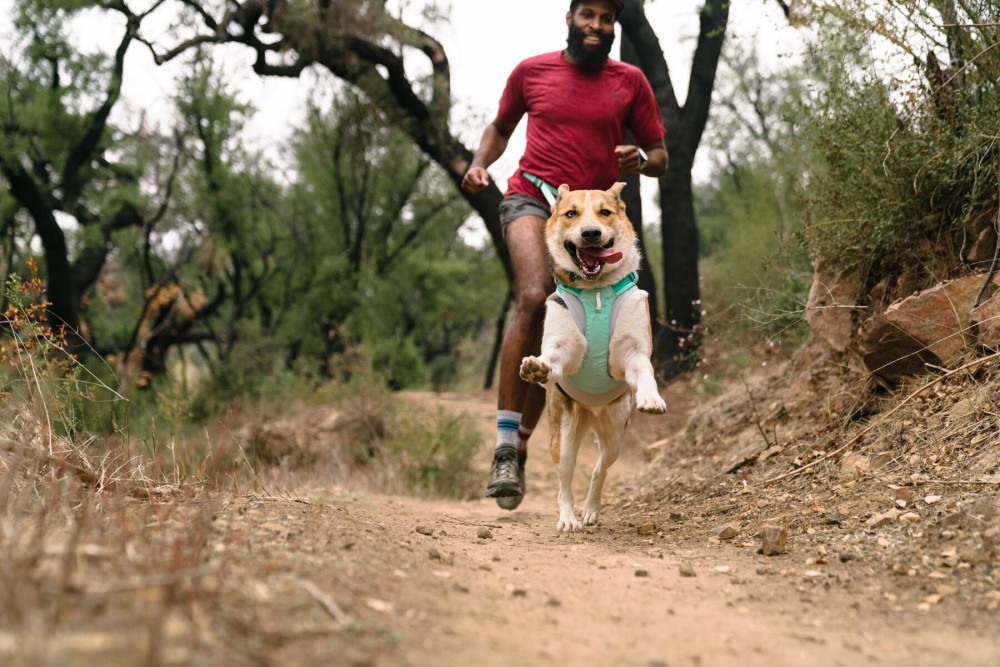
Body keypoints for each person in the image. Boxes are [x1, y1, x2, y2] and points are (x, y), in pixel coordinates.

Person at [461, 0, 668, 510]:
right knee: (534, 297)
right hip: (533, 197)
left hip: (593, 216)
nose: (597, 26)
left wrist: (639, 160)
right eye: (588, 15)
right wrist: (479, 162)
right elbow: (501, 127)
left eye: (607, 19)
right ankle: (506, 448)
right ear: (570, 18)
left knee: (567, 329)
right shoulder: (532, 71)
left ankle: (526, 443)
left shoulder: (630, 82)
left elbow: (660, 155)